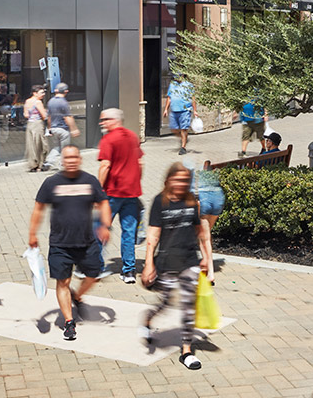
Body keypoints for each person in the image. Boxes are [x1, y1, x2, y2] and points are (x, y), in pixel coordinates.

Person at [28, 145, 112, 341]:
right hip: (60, 244)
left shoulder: (90, 181)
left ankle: (77, 296)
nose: (72, 161)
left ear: (80, 159)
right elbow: (39, 209)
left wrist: (105, 225)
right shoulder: (51, 183)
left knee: (94, 275)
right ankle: (69, 322)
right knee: (62, 282)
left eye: (75, 157)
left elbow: (104, 202)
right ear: (62, 161)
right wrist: (32, 234)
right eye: (68, 158)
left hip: (87, 242)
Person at [140, 162, 215, 371]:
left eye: (186, 180)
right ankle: (147, 320)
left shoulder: (192, 201)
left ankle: (186, 351)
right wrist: (148, 265)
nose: (182, 184)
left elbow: (201, 232)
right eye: (178, 179)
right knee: (165, 303)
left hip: (189, 261)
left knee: (188, 306)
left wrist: (206, 259)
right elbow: (153, 237)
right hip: (166, 262)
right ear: (169, 180)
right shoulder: (159, 201)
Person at [96, 107, 143, 284]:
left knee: (101, 228)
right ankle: (129, 271)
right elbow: (140, 163)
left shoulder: (108, 139)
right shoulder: (132, 136)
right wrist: (136, 181)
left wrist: (98, 191)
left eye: (105, 119)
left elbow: (105, 166)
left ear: (114, 120)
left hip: (112, 193)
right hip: (131, 193)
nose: (102, 123)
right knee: (129, 232)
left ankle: (97, 267)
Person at [45, 83, 79, 171]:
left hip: (54, 128)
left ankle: (49, 161)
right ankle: (63, 165)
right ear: (66, 91)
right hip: (63, 129)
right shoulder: (64, 103)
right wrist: (73, 129)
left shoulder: (51, 101)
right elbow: (67, 117)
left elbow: (49, 116)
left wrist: (49, 128)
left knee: (57, 147)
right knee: (65, 148)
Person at [193, 159, 225, 235]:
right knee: (207, 231)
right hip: (217, 203)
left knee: (204, 232)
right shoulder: (216, 179)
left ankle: (200, 244)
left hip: (204, 203)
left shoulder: (199, 177)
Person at [24, 84, 50, 172]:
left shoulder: (27, 101)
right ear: (35, 93)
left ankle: (32, 164)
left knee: (31, 145)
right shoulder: (38, 102)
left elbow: (26, 115)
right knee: (41, 145)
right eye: (41, 92)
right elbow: (44, 115)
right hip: (38, 124)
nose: (43, 94)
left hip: (30, 124)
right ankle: (40, 164)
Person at [167, 75, 195, 155]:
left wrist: (195, 110)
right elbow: (169, 97)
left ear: (182, 76)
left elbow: (193, 98)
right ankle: (184, 137)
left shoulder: (189, 85)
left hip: (185, 110)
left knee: (183, 129)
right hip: (174, 110)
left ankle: (183, 147)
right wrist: (166, 109)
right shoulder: (172, 84)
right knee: (174, 129)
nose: (176, 78)